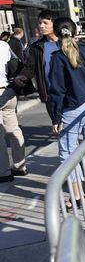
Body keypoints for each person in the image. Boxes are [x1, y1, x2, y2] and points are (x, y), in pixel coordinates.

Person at [46, 17, 85, 210]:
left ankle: (77, 196)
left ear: (56, 33)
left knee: (68, 152)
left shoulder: (57, 58)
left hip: (72, 109)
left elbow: (57, 90)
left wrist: (55, 117)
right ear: (75, 31)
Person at [0, 39, 27, 182]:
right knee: (13, 129)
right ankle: (20, 166)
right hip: (9, 91)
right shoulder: (4, 45)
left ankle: (3, 172)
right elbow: (17, 62)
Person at [20, 10, 59, 104]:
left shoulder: (66, 44)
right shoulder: (36, 46)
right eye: (40, 23)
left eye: (45, 23)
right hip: (50, 95)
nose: (41, 26)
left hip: (70, 92)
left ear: (55, 24)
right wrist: (23, 76)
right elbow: (30, 66)